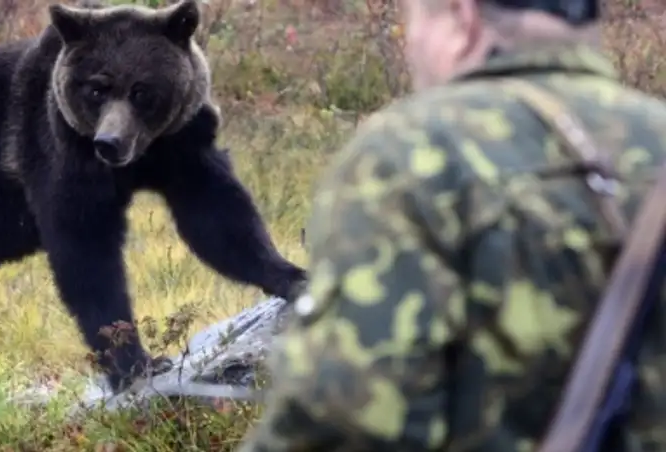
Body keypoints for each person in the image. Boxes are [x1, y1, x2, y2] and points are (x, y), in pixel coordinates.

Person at [236, 0, 666, 450]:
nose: (411, 48)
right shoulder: (655, 139)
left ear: (463, 18)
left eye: (414, 21)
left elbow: (349, 417)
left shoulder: (415, 153)